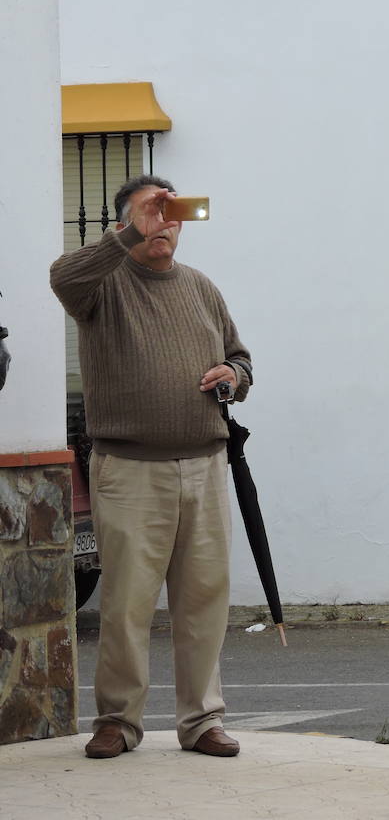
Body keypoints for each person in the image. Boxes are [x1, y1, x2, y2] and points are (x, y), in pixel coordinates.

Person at [50, 175, 252, 760]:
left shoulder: (202, 287)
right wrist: (123, 238)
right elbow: (61, 277)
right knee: (127, 604)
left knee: (204, 601)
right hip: (131, 469)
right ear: (122, 224)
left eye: (172, 211)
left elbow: (240, 355)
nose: (164, 221)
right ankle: (117, 720)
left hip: (207, 467)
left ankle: (203, 721)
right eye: (150, 211)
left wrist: (233, 378)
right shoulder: (101, 284)